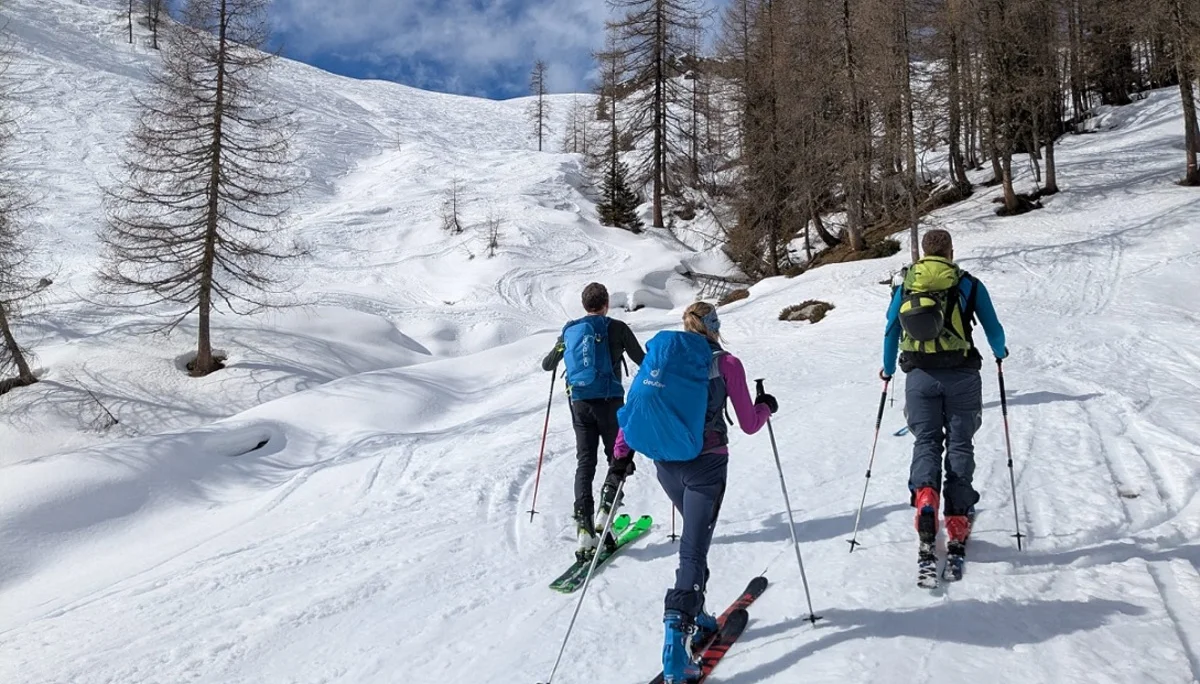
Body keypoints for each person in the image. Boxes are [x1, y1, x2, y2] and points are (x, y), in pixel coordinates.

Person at [611, 301, 775, 684]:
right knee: (693, 548)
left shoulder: (662, 359)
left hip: (667, 466)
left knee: (694, 541)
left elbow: (636, 407)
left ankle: (696, 612)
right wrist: (766, 406)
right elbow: (750, 424)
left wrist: (621, 455)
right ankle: (675, 648)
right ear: (714, 326)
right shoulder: (726, 364)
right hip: (708, 465)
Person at [881, 229, 1007, 561]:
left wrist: (887, 368)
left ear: (922, 253)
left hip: (919, 375)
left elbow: (892, 327)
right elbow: (993, 328)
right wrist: (1000, 352)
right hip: (962, 374)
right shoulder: (967, 283)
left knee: (926, 441)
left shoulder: (907, 283)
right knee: (961, 442)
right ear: (951, 251)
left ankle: (925, 499)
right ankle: (957, 517)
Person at [542, 282, 646, 561]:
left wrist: (561, 348)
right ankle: (606, 509)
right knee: (619, 458)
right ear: (606, 303)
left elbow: (548, 364)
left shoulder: (570, 329)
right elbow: (643, 361)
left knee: (585, 462)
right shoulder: (617, 328)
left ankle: (584, 526)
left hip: (580, 405)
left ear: (584, 304)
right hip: (610, 402)